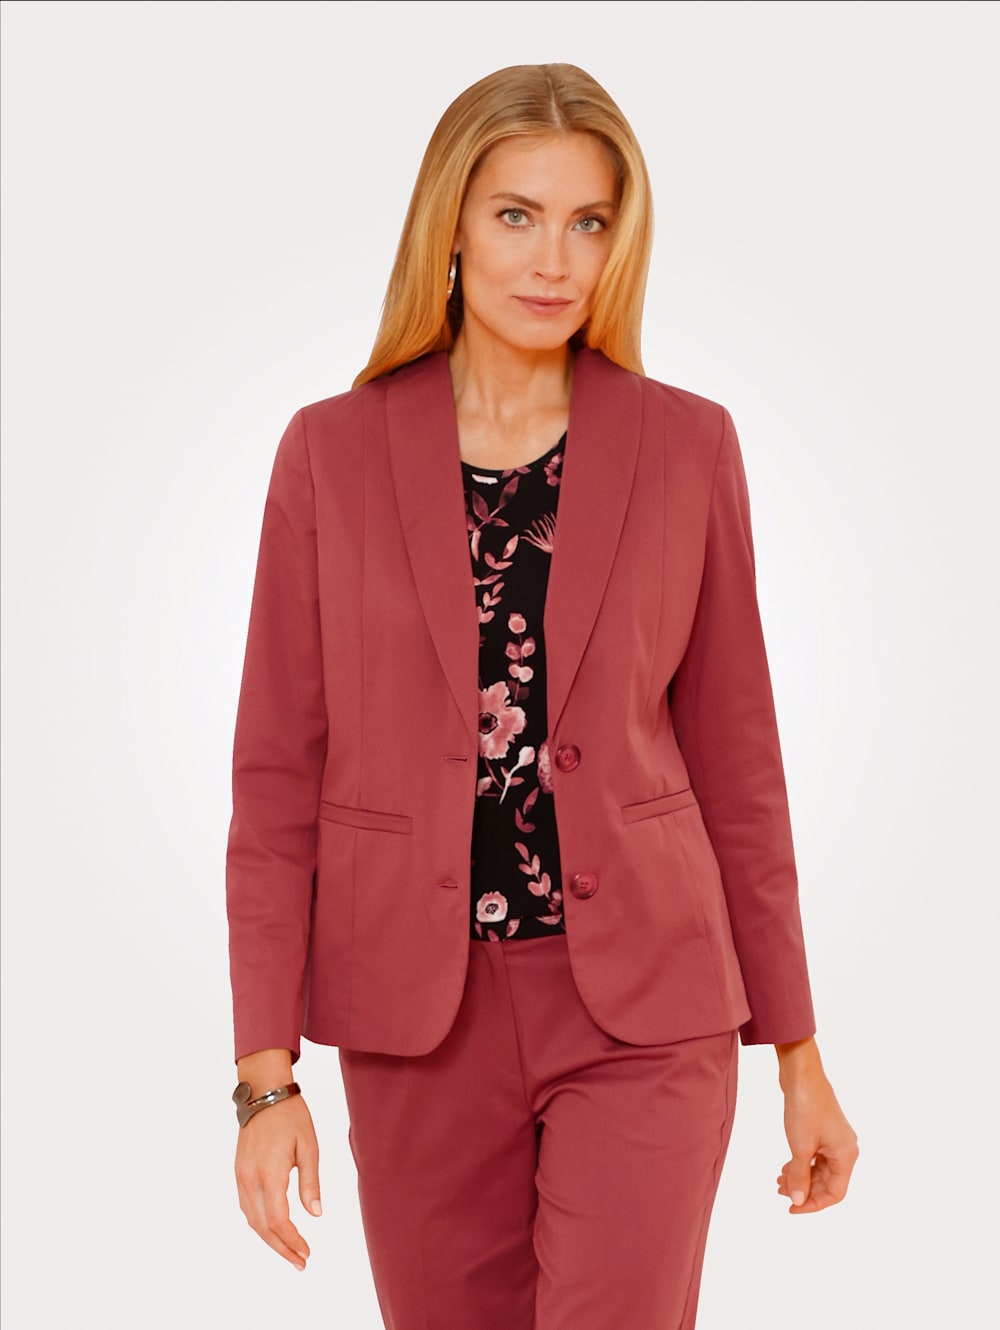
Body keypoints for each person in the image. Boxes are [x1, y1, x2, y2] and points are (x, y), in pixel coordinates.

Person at [226, 61, 859, 1330]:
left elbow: (738, 763)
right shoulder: (328, 453)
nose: (554, 259)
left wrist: (797, 1052)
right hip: (415, 1019)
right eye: (516, 214)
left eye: (589, 221)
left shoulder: (687, 445)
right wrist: (264, 1076)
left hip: (648, 1007)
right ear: (451, 223)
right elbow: (277, 776)